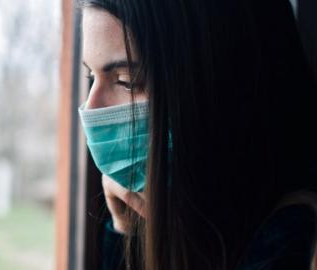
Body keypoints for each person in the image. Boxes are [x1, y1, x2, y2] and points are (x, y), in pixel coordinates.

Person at [77, 0, 317, 269]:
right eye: (90, 77)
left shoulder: (289, 242)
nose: (91, 108)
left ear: (222, 81)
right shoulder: (190, 212)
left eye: (127, 81)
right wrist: (125, 230)